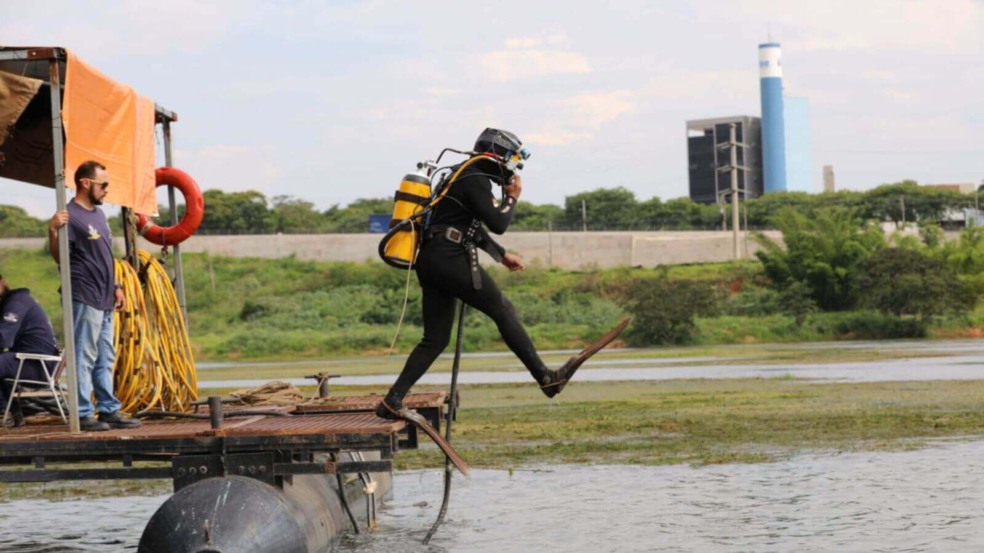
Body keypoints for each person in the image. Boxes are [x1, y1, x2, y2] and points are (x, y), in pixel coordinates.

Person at [376, 128, 627, 419]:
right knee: (503, 309)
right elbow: (498, 222)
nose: (511, 169)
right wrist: (512, 198)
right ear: (496, 156)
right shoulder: (476, 179)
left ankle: (392, 400)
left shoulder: (463, 175)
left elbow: (466, 226)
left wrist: (501, 255)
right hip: (450, 257)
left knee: (435, 339)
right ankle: (547, 379)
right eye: (510, 161)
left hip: (431, 259)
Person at [48, 160, 140, 431]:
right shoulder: (69, 216)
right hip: (84, 293)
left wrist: (117, 287)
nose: (107, 190)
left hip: (104, 296)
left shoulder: (99, 216)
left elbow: (105, 256)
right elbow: (60, 258)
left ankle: (109, 409)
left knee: (105, 356)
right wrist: (53, 230)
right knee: (84, 355)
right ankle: (83, 412)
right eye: (104, 185)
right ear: (85, 183)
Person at [0, 274, 60, 427]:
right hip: (31, 361)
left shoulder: (16, 304)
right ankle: (10, 412)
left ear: (3, 282)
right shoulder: (14, 301)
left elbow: (3, 339)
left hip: (39, 366)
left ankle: (3, 411)